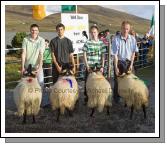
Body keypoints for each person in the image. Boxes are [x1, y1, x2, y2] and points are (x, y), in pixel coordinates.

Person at [112, 21, 139, 103]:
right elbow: (115, 55)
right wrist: (116, 67)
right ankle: (116, 98)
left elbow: (134, 52)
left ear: (129, 29)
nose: (125, 30)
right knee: (118, 81)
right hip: (120, 62)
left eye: (127, 29)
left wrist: (131, 64)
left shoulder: (133, 39)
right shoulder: (116, 39)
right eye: (124, 28)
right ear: (121, 28)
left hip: (129, 62)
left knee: (131, 80)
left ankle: (129, 96)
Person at [83, 25, 106, 104]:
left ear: (97, 33)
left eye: (95, 32)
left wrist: (102, 66)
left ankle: (99, 97)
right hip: (90, 66)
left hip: (99, 67)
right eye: (92, 32)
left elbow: (103, 55)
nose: (93, 34)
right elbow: (84, 54)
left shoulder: (101, 43)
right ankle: (87, 97)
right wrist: (87, 66)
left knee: (99, 83)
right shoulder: (87, 43)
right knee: (88, 82)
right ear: (90, 33)